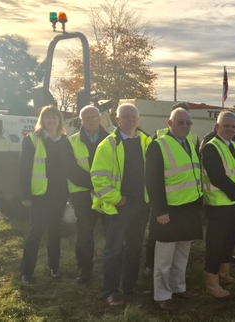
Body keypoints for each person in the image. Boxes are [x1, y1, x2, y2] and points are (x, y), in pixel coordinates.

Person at [91, 103, 152, 306]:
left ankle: (129, 286)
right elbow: (98, 177)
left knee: (134, 247)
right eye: (125, 117)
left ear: (138, 119)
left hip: (141, 204)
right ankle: (110, 291)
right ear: (117, 120)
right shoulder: (108, 144)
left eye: (134, 116)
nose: (130, 120)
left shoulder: (146, 141)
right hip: (120, 206)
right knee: (114, 249)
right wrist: (117, 199)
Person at [145, 108, 204, 310]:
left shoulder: (190, 143)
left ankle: (179, 288)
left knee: (182, 255)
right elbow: (152, 182)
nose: (185, 126)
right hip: (168, 211)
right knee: (164, 258)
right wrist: (160, 211)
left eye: (188, 123)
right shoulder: (158, 146)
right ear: (170, 123)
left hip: (188, 209)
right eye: (181, 122)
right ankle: (162, 295)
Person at [18, 105, 73, 284]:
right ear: (42, 120)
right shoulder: (32, 140)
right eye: (47, 117)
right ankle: (26, 272)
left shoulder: (65, 141)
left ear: (59, 120)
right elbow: (24, 170)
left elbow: (69, 168)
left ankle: (54, 267)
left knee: (54, 231)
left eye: (54, 117)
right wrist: (25, 195)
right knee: (36, 232)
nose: (51, 120)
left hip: (59, 194)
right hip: (39, 195)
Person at [201, 111, 235, 298]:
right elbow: (217, 176)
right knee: (215, 245)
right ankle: (212, 283)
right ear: (217, 127)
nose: (230, 129)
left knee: (229, 241)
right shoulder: (210, 148)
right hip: (218, 206)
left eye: (232, 126)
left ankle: (224, 274)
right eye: (226, 126)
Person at [68, 105, 110, 284]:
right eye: (87, 117)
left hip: (108, 193)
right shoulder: (71, 141)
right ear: (81, 120)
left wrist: (102, 187)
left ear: (100, 118)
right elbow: (70, 170)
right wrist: (95, 184)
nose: (91, 120)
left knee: (112, 231)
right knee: (85, 231)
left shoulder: (111, 139)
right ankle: (85, 269)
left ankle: (112, 267)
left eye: (94, 117)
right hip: (82, 194)